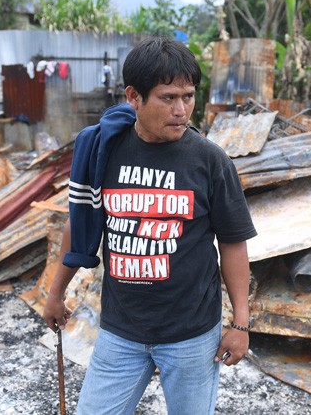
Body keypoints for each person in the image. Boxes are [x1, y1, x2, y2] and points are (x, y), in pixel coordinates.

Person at [43, 36, 256, 415]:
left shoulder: (209, 161)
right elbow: (80, 225)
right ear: (134, 97)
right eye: (168, 97)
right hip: (120, 330)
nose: (181, 110)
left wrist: (240, 324)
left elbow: (233, 243)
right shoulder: (103, 151)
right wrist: (56, 292)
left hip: (191, 335)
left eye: (188, 96)